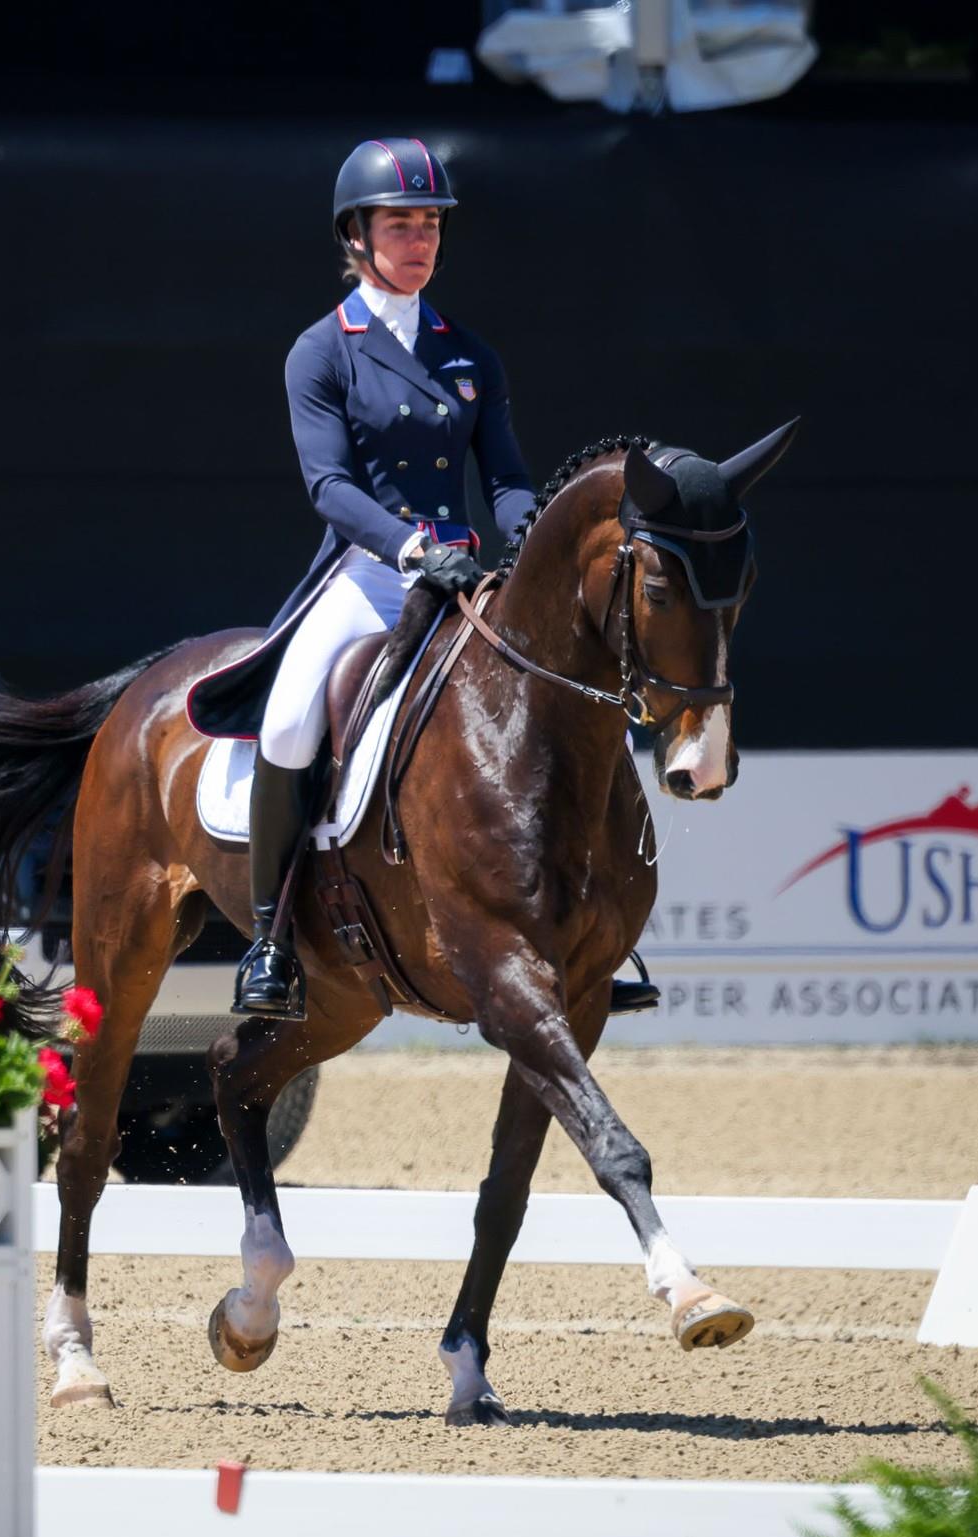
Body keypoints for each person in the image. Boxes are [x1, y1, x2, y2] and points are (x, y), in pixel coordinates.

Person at [188, 136, 660, 1022]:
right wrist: (409, 549)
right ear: (357, 237)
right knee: (291, 721)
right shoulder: (323, 352)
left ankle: (603, 935)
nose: (420, 240)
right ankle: (269, 940)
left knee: (571, 704)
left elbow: (510, 477)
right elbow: (329, 487)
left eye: (431, 225)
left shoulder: (469, 355)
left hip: (467, 577)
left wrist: (531, 547)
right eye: (400, 224)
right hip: (369, 575)